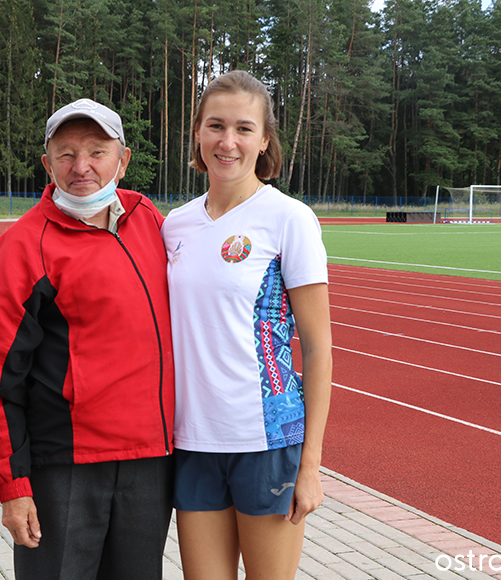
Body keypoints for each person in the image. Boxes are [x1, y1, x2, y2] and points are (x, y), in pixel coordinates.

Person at [0, 98, 174, 580]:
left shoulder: (150, 221)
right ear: (47, 164)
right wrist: (12, 483)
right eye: (65, 154)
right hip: (64, 464)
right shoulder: (24, 245)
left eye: (96, 152)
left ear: (122, 159)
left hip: (150, 462)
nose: (81, 166)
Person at [161, 70, 333, 580]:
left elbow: (319, 349)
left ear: (264, 140)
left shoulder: (289, 218)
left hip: (268, 441)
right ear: (197, 133)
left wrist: (310, 466)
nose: (227, 141)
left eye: (243, 128)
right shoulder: (176, 225)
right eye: (215, 126)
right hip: (193, 441)